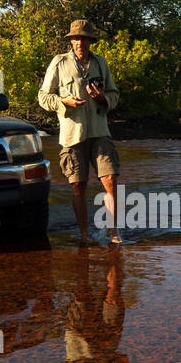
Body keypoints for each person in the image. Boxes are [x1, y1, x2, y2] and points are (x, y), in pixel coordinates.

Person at [37, 19, 122, 244]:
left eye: (84, 38)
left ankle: (113, 233)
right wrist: (64, 102)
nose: (79, 42)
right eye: (76, 38)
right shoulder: (59, 62)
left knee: (110, 179)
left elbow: (115, 94)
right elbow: (43, 97)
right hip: (72, 134)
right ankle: (84, 235)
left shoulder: (101, 63)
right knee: (78, 186)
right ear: (71, 40)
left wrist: (103, 98)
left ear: (91, 41)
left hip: (100, 131)